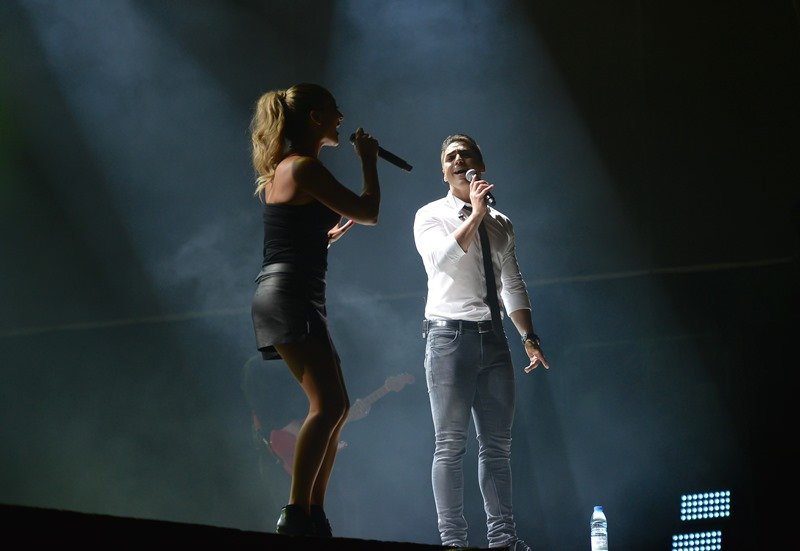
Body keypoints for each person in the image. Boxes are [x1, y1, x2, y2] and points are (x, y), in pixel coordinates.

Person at [248, 82, 380, 538]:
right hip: (290, 294)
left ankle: (314, 514)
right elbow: (369, 211)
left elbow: (290, 230)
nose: (341, 117)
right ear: (315, 117)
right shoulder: (303, 166)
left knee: (336, 407)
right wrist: (368, 161)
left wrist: (324, 235)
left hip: (293, 292)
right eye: (333, 110)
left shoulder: (291, 168)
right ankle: (295, 512)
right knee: (326, 405)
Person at [413, 134, 550, 550]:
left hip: (493, 338)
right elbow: (441, 260)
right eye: (450, 157)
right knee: (450, 444)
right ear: (443, 171)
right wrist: (474, 214)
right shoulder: (430, 215)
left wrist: (528, 336)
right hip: (448, 337)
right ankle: (453, 542)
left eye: (466, 154)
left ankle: (502, 539)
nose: (458, 160)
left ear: (480, 164)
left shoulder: (501, 222)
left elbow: (512, 283)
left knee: (497, 447)